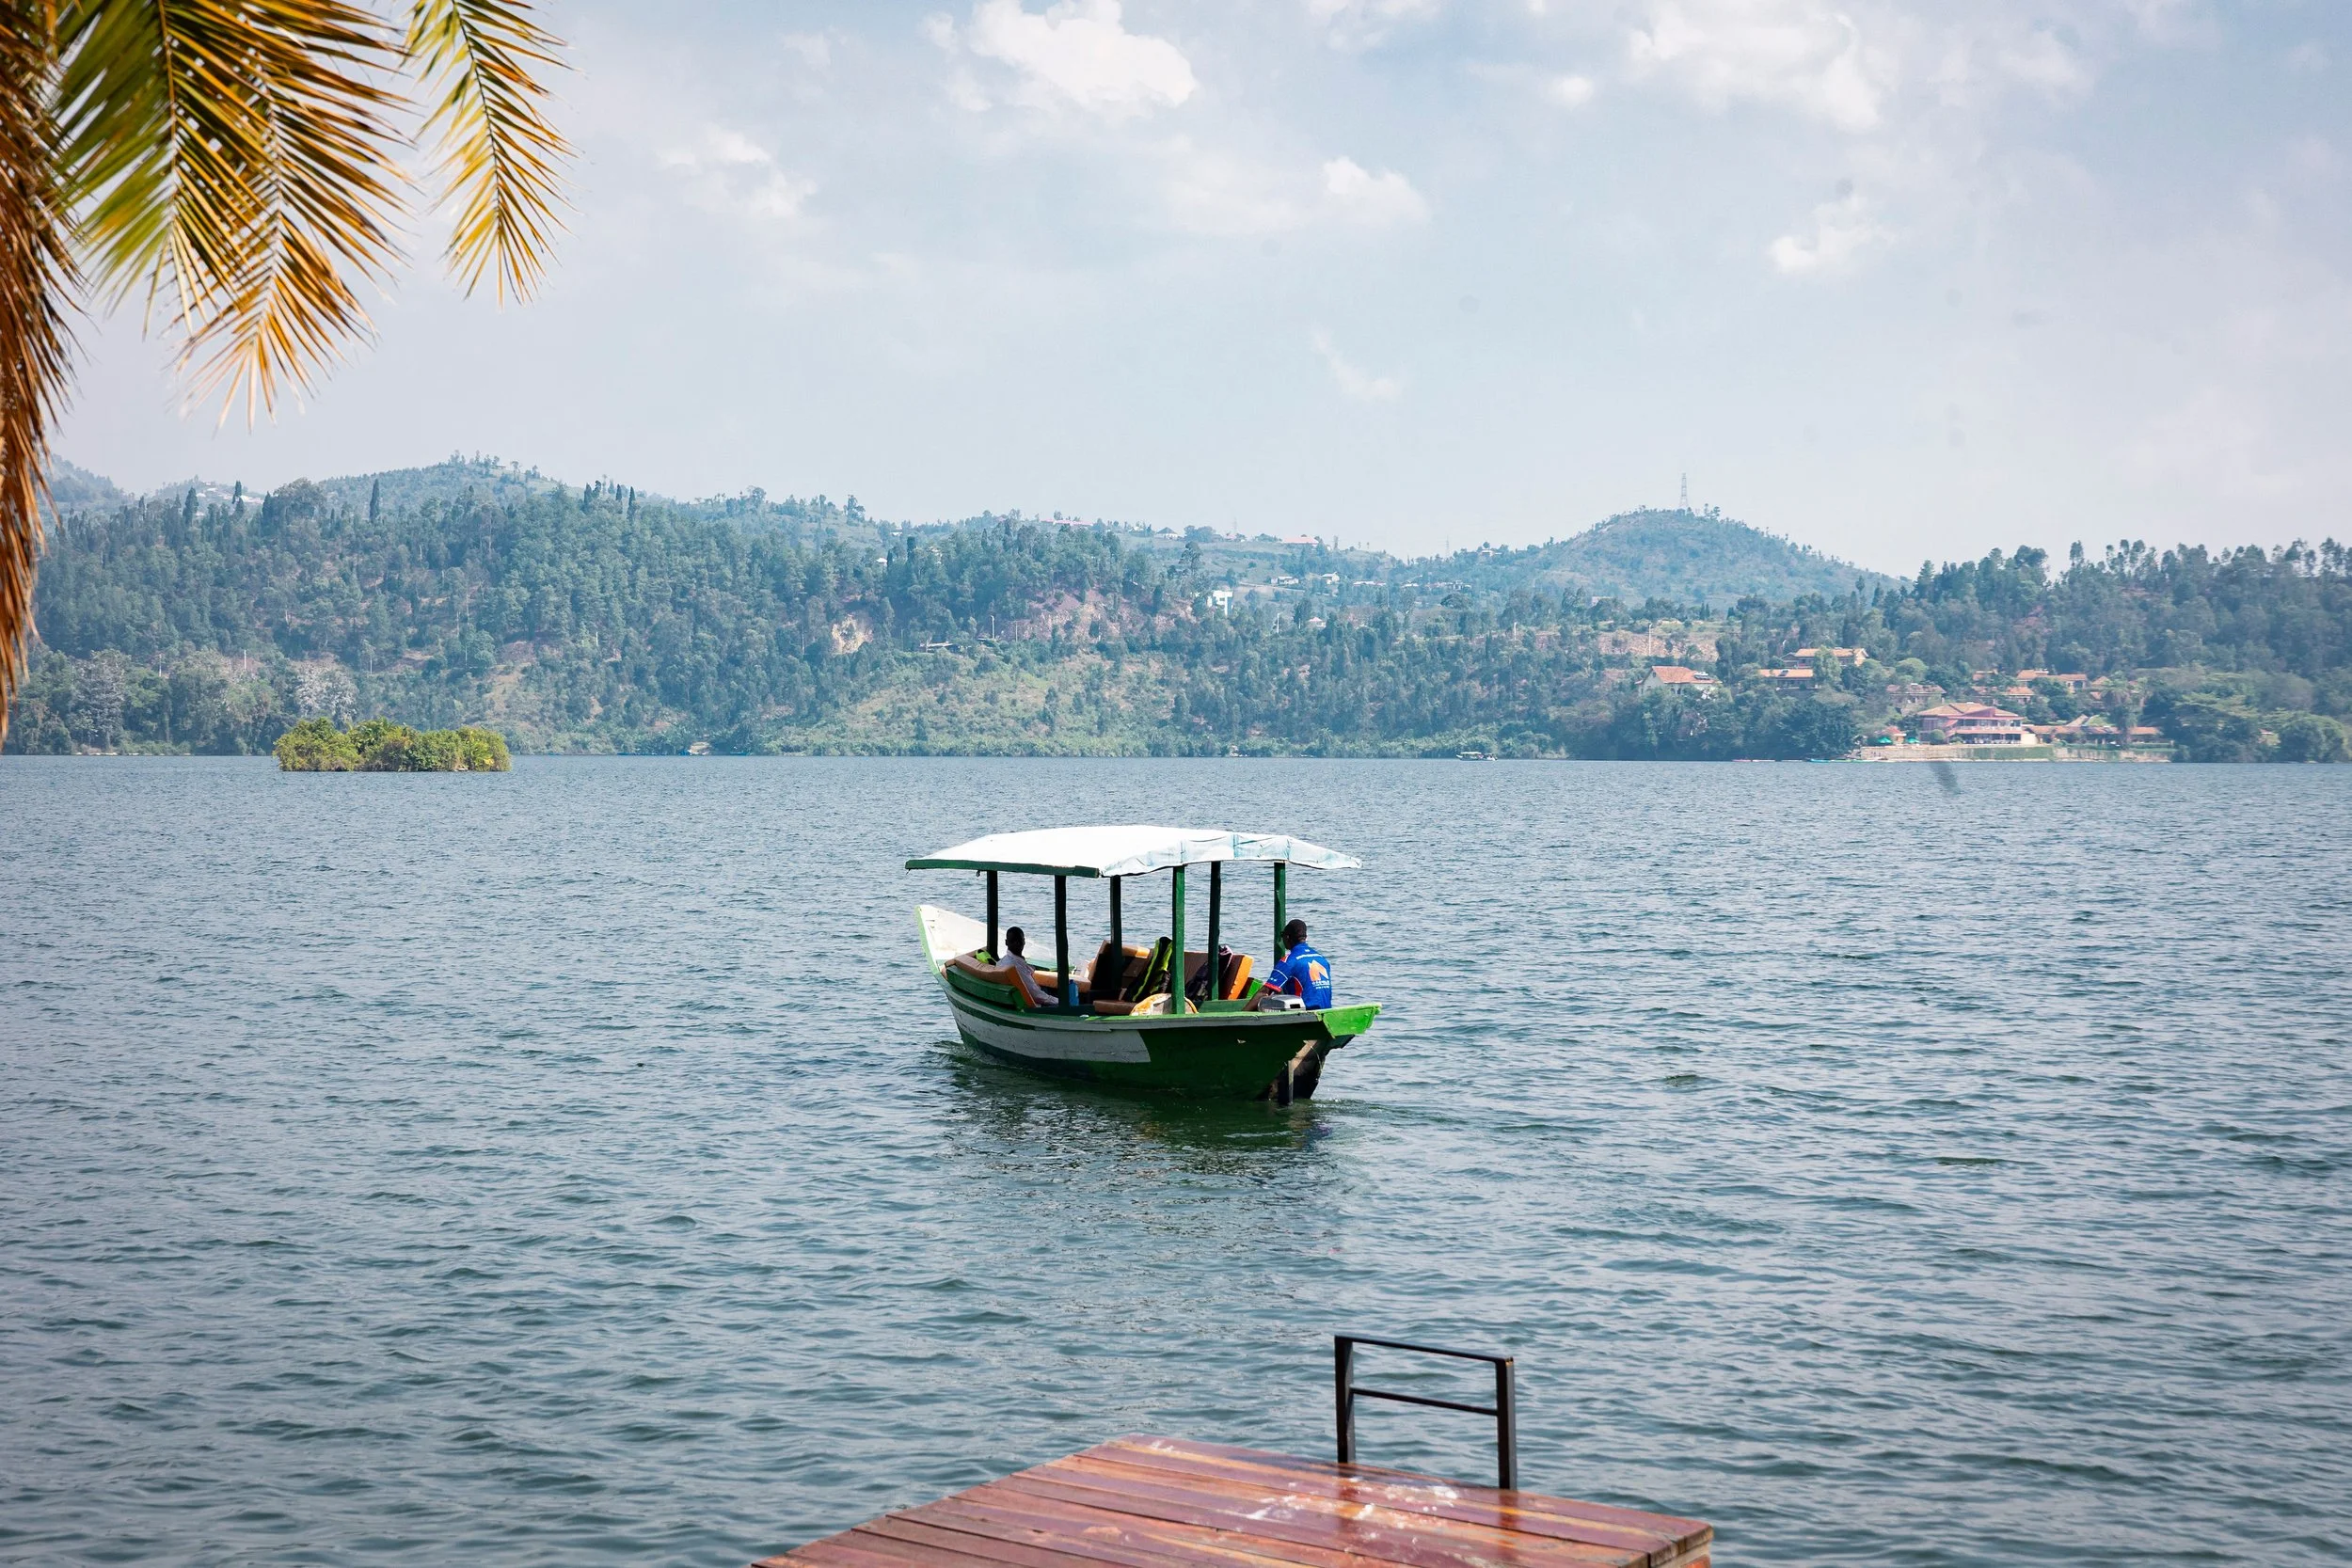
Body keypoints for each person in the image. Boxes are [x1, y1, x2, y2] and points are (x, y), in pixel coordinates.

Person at [1263, 919, 1331, 1008]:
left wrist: (1245, 1012)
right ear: (1305, 937)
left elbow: (1264, 992)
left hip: (1305, 1013)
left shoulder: (1288, 962)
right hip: (1326, 1011)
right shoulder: (1322, 959)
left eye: (1282, 935)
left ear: (1287, 937)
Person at [997, 927, 1057, 1009]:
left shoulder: (1001, 962)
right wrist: (1060, 1001)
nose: (1017, 943)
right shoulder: (1015, 967)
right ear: (1006, 942)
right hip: (1036, 1007)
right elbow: (1037, 996)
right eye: (1013, 940)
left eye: (1019, 940)